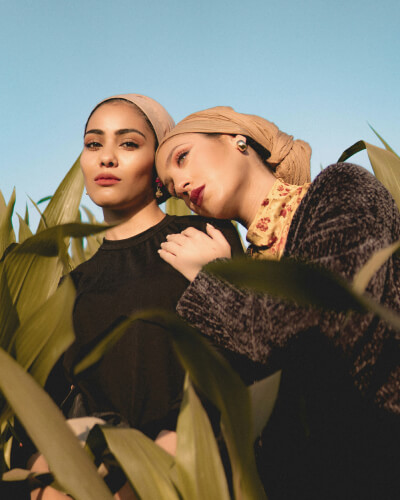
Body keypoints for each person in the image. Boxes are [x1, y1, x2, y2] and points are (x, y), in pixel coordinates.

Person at [155, 106, 400, 499]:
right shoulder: (244, 264)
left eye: (182, 157)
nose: (180, 186)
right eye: (170, 187)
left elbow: (333, 323)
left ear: (237, 140)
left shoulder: (341, 187)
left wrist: (212, 278)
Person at [27, 96, 244, 500]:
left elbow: (241, 358)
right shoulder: (72, 286)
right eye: (94, 144)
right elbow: (51, 413)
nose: (106, 157)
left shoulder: (203, 236)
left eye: (128, 143)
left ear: (158, 166)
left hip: (193, 468)